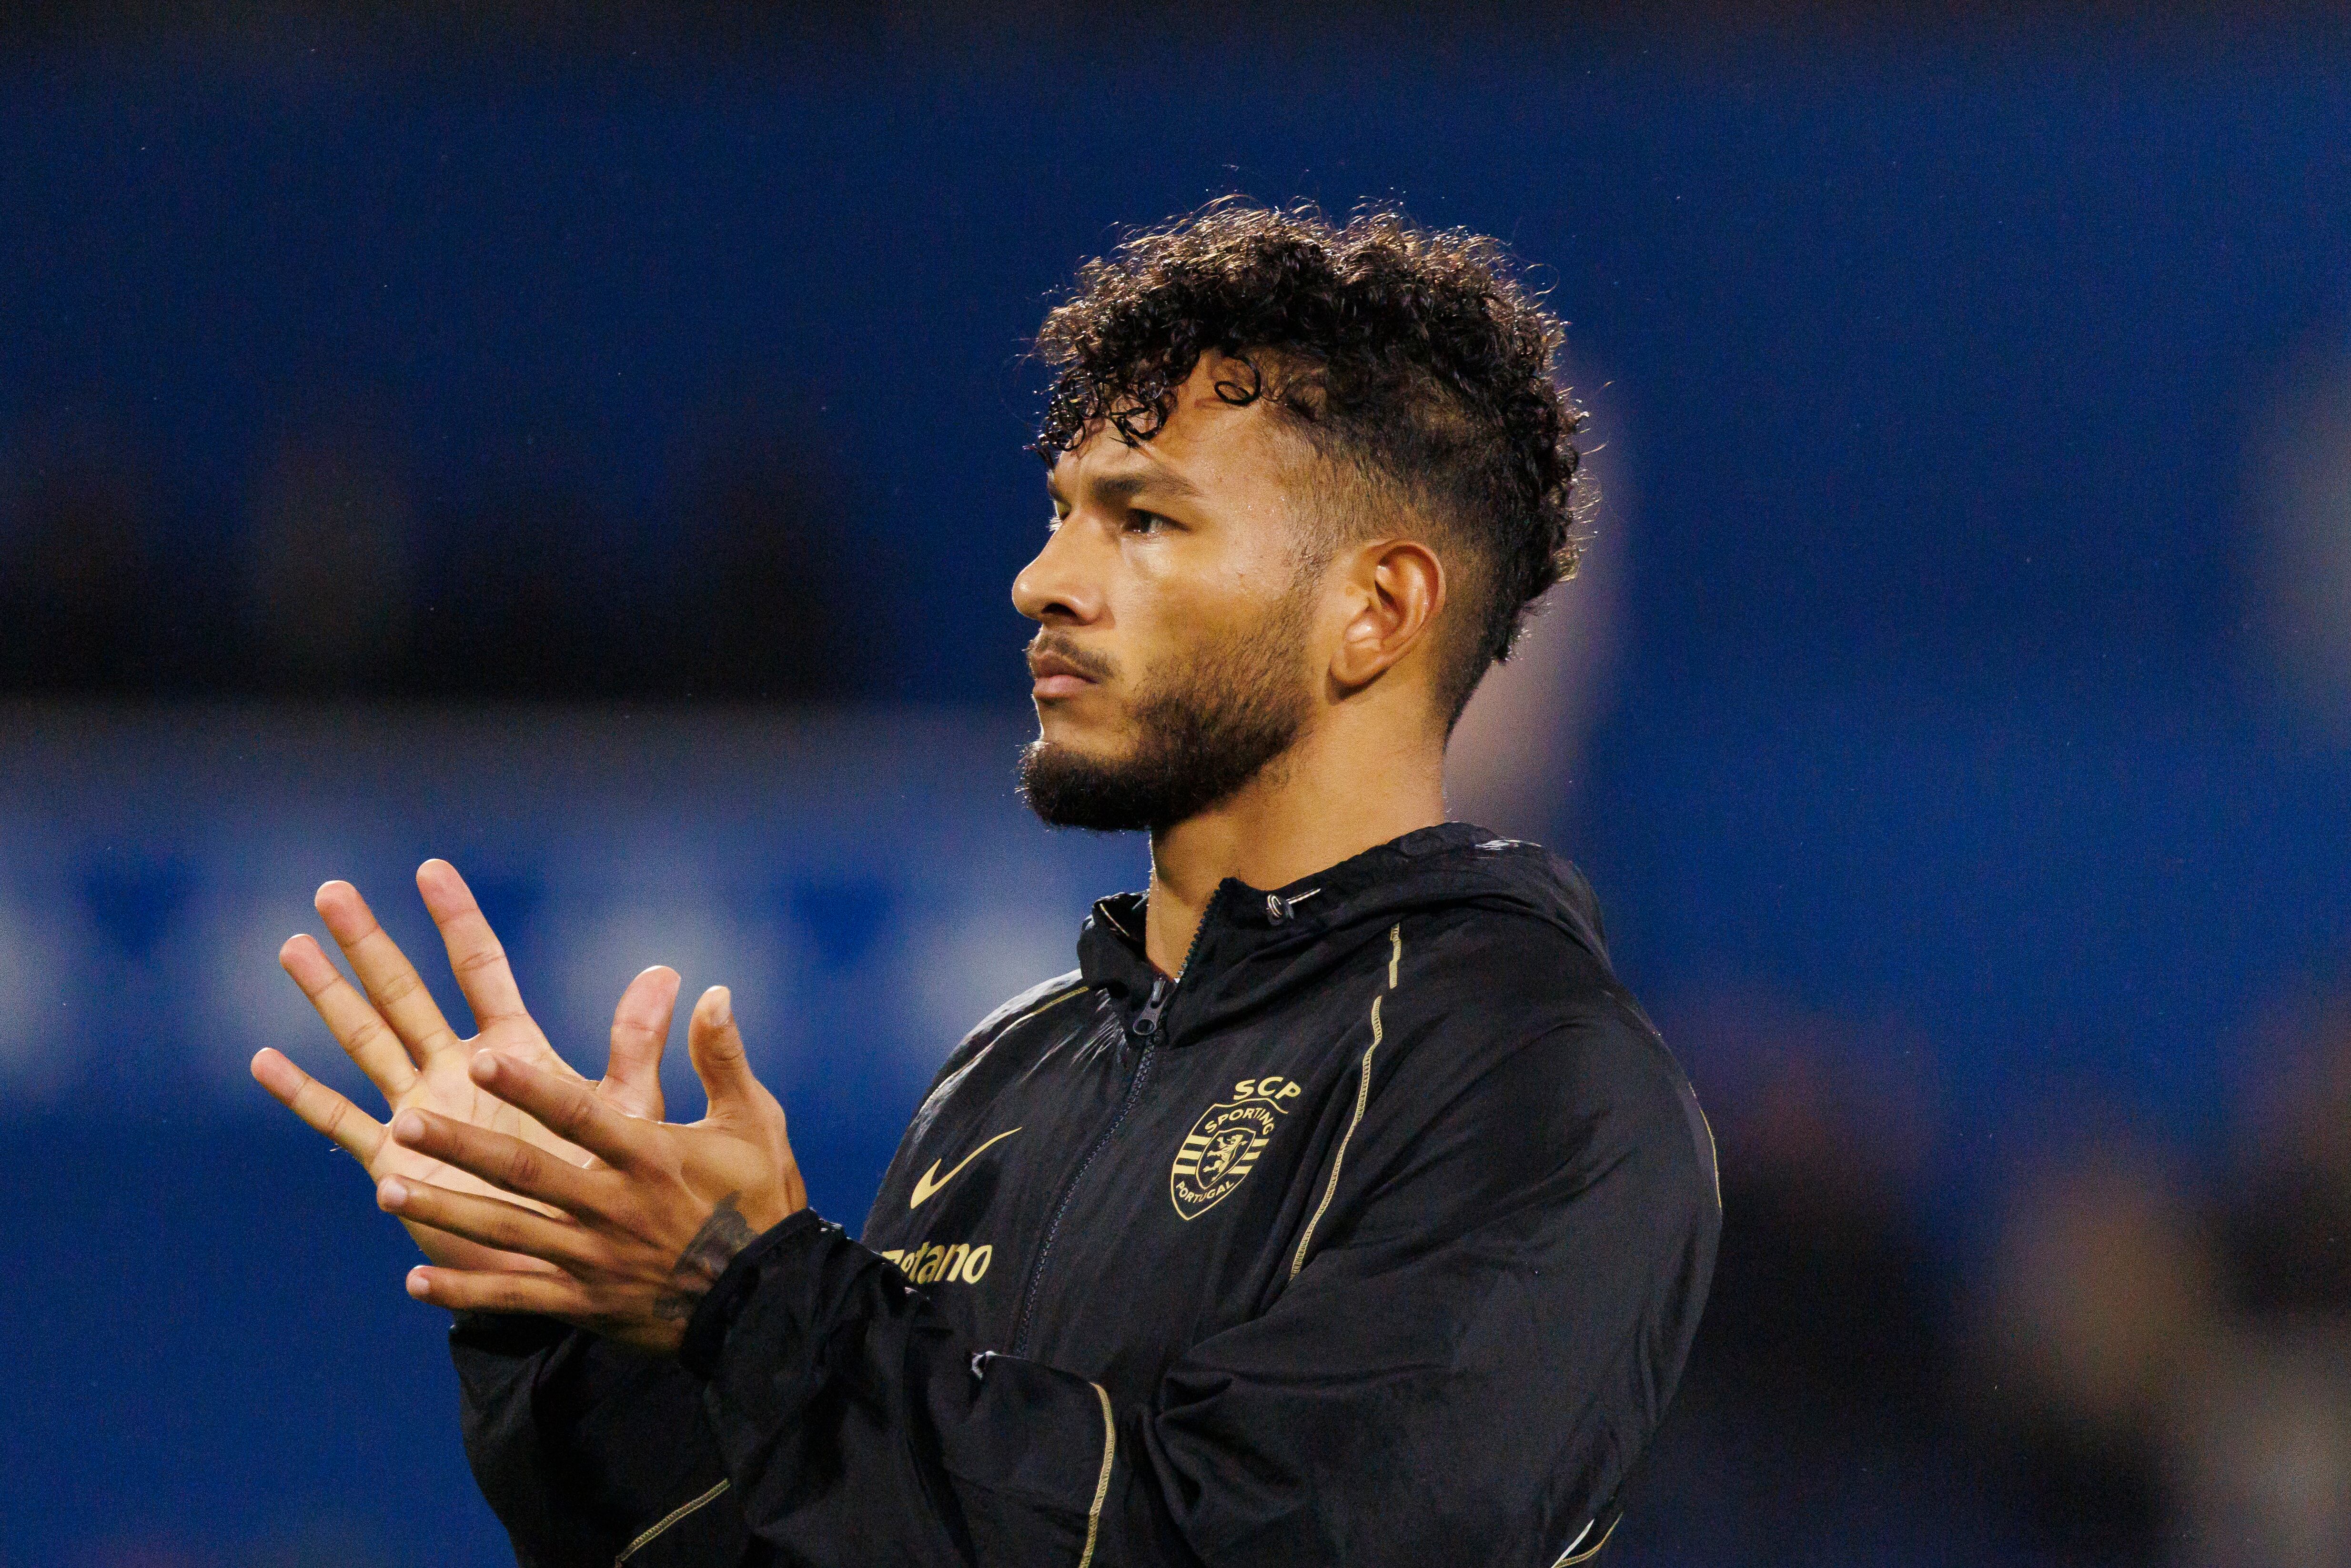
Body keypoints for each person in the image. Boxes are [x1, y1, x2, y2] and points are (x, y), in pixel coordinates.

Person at [251, 201, 1721, 1568]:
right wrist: (572, 1306)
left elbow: (1246, 1541)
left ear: (1376, 608)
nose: (1042, 579)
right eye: (1061, 510)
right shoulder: (1010, 1073)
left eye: (1141, 520)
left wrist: (752, 1304)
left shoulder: (1541, 1081)